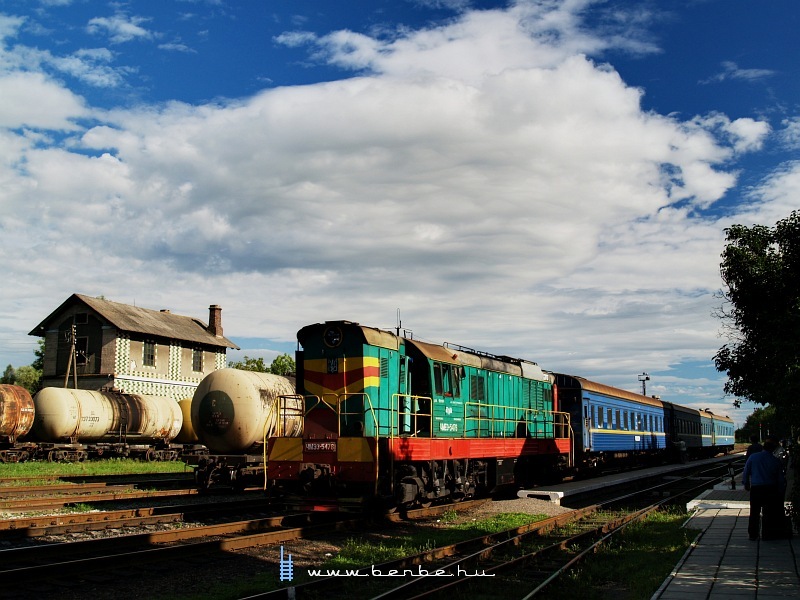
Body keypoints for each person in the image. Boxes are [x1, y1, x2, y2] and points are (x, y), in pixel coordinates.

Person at [742, 437, 787, 540]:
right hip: (770, 489)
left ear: (763, 448)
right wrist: (780, 490)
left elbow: (746, 471)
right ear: (772, 449)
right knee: (768, 512)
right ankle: (766, 534)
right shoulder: (775, 460)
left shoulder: (753, 457)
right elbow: (780, 478)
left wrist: (746, 483)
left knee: (754, 512)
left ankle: (753, 534)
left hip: (756, 488)